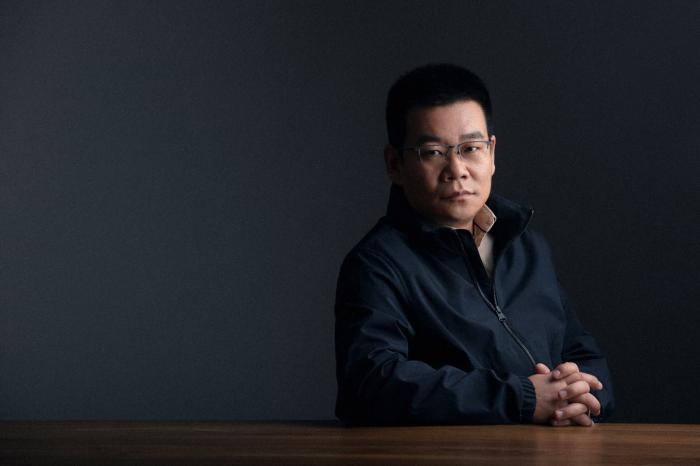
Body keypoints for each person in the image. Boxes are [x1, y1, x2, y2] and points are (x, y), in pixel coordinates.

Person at [334, 64, 614, 426]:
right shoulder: (377, 264)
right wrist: (523, 398)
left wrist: (580, 397)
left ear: (492, 154)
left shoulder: (527, 250)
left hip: (551, 449)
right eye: (433, 152)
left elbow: (585, 356)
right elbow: (370, 384)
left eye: (470, 148)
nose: (456, 169)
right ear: (395, 164)